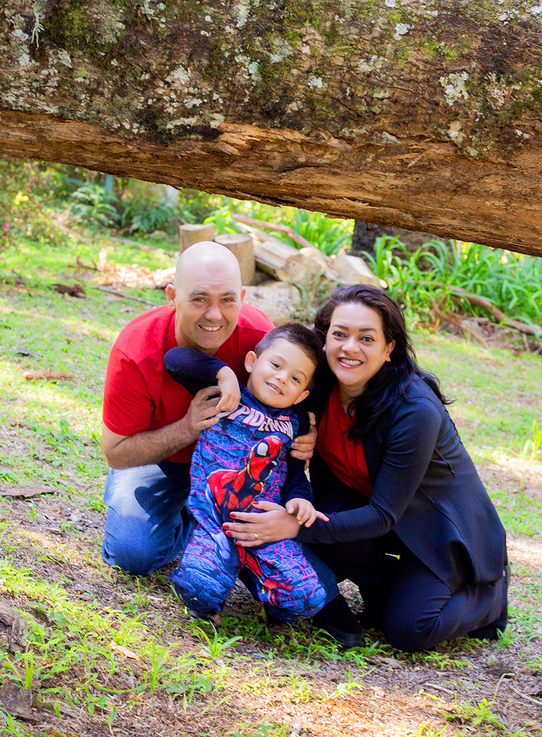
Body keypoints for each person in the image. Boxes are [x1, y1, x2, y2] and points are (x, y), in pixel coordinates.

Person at [223, 285, 510, 653]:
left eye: (366, 338)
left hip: (439, 530)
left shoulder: (414, 410)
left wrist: (294, 525)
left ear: (389, 348)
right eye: (339, 335)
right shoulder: (318, 384)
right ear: (324, 339)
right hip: (368, 509)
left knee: (410, 631)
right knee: (328, 517)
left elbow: (383, 515)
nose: (350, 348)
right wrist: (226, 378)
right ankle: (389, 590)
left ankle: (490, 595)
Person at [99, 241, 315, 575]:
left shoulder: (263, 339)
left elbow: (304, 389)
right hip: (163, 461)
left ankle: (214, 531)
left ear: (243, 297)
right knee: (132, 552)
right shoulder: (136, 350)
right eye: (199, 298)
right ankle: (192, 525)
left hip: (239, 467)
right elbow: (116, 452)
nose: (214, 315)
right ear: (172, 296)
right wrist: (187, 427)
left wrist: (309, 430)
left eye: (227, 300)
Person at [163, 324, 332, 623]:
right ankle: (211, 592)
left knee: (308, 598)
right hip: (213, 518)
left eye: (295, 378)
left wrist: (300, 500)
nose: (282, 377)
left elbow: (294, 476)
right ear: (252, 361)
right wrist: (223, 373)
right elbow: (175, 360)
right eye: (276, 365)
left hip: (264, 526)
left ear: (301, 394)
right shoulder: (228, 396)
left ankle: (262, 586)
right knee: (199, 587)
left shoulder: (296, 423)